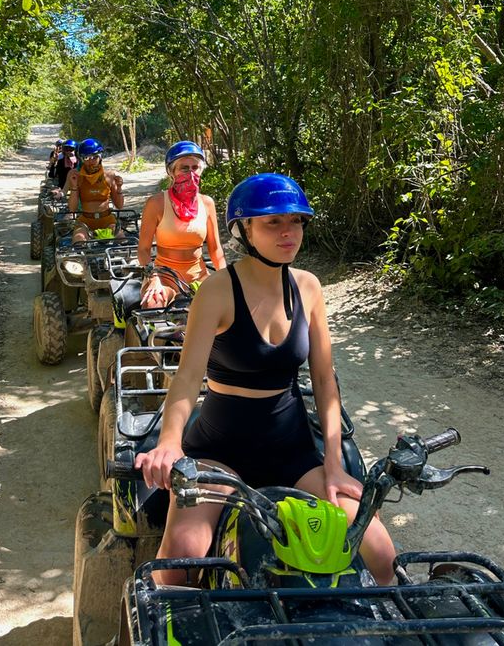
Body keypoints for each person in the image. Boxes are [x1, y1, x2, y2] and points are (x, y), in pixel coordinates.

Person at [135, 173, 397, 586]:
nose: (288, 232)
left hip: (291, 451)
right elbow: (187, 378)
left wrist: (333, 464)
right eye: (272, 222)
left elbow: (325, 382)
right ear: (244, 230)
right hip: (218, 451)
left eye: (295, 221)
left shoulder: (307, 287)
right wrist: (169, 442)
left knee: (381, 553)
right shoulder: (217, 290)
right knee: (180, 563)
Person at [138, 141, 226, 307]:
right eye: (184, 168)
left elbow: (215, 249)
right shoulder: (156, 203)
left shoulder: (207, 203)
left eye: (195, 168)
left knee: (232, 309)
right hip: (164, 277)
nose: (191, 174)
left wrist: (225, 277)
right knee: (153, 306)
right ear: (172, 172)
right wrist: (153, 278)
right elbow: (143, 249)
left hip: (199, 276)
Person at [65, 138, 124, 242]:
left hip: (107, 220)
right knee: (79, 240)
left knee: (121, 239)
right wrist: (74, 187)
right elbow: (72, 209)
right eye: (86, 158)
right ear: (81, 159)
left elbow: (119, 206)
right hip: (85, 221)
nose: (90, 161)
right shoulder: (76, 176)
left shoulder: (109, 176)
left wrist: (119, 188)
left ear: (100, 156)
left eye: (94, 157)